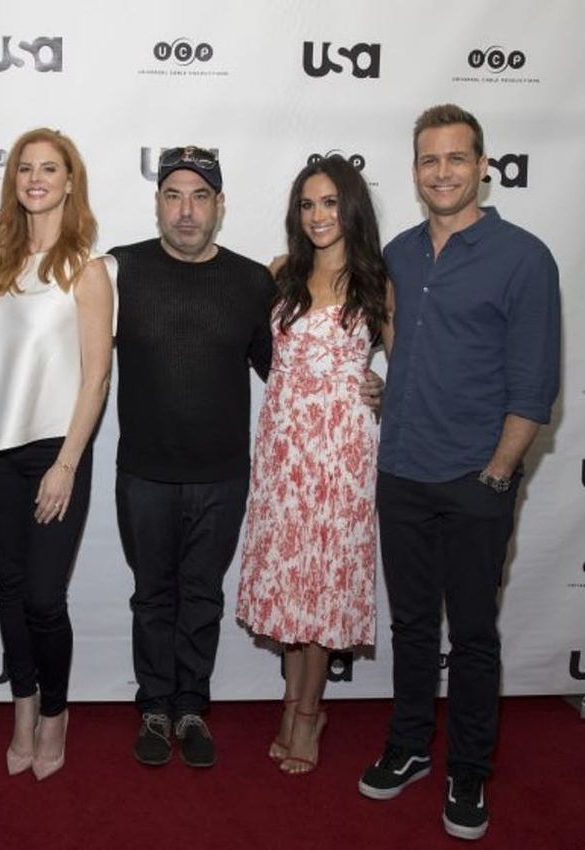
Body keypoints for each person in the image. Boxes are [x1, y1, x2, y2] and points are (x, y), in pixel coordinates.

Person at [357, 104, 560, 842]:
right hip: (402, 470)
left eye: (455, 158)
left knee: (472, 634)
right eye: (428, 160)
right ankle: (411, 744)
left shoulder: (525, 257)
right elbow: (399, 342)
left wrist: (500, 473)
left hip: (477, 480)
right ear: (414, 170)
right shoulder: (401, 254)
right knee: (411, 624)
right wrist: (389, 386)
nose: (441, 172)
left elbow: (534, 384)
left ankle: (468, 768)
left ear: (482, 166)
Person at [110, 147, 276, 769]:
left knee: (202, 596)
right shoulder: (120, 270)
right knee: (153, 597)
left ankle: (190, 708)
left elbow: (283, 373)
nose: (186, 211)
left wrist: (360, 384)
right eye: (173, 195)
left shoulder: (253, 281)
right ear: (157, 204)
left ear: (220, 206)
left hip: (222, 477)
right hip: (145, 475)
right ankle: (154, 706)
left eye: (200, 197)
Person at [236, 155, 391, 775]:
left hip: (342, 455)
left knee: (323, 587)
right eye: (307, 205)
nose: (318, 216)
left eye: (329, 203)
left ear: (350, 207)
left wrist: (383, 385)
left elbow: (409, 364)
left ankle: (306, 714)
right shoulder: (281, 274)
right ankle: (294, 701)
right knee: (291, 586)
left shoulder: (376, 282)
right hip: (283, 451)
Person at [0, 128, 113, 780]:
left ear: (69, 180)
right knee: (10, 588)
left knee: (45, 598)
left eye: (49, 168)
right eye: (25, 167)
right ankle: (22, 707)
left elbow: (95, 377)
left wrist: (66, 464)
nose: (35, 178)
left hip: (55, 451)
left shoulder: (88, 267)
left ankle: (55, 714)